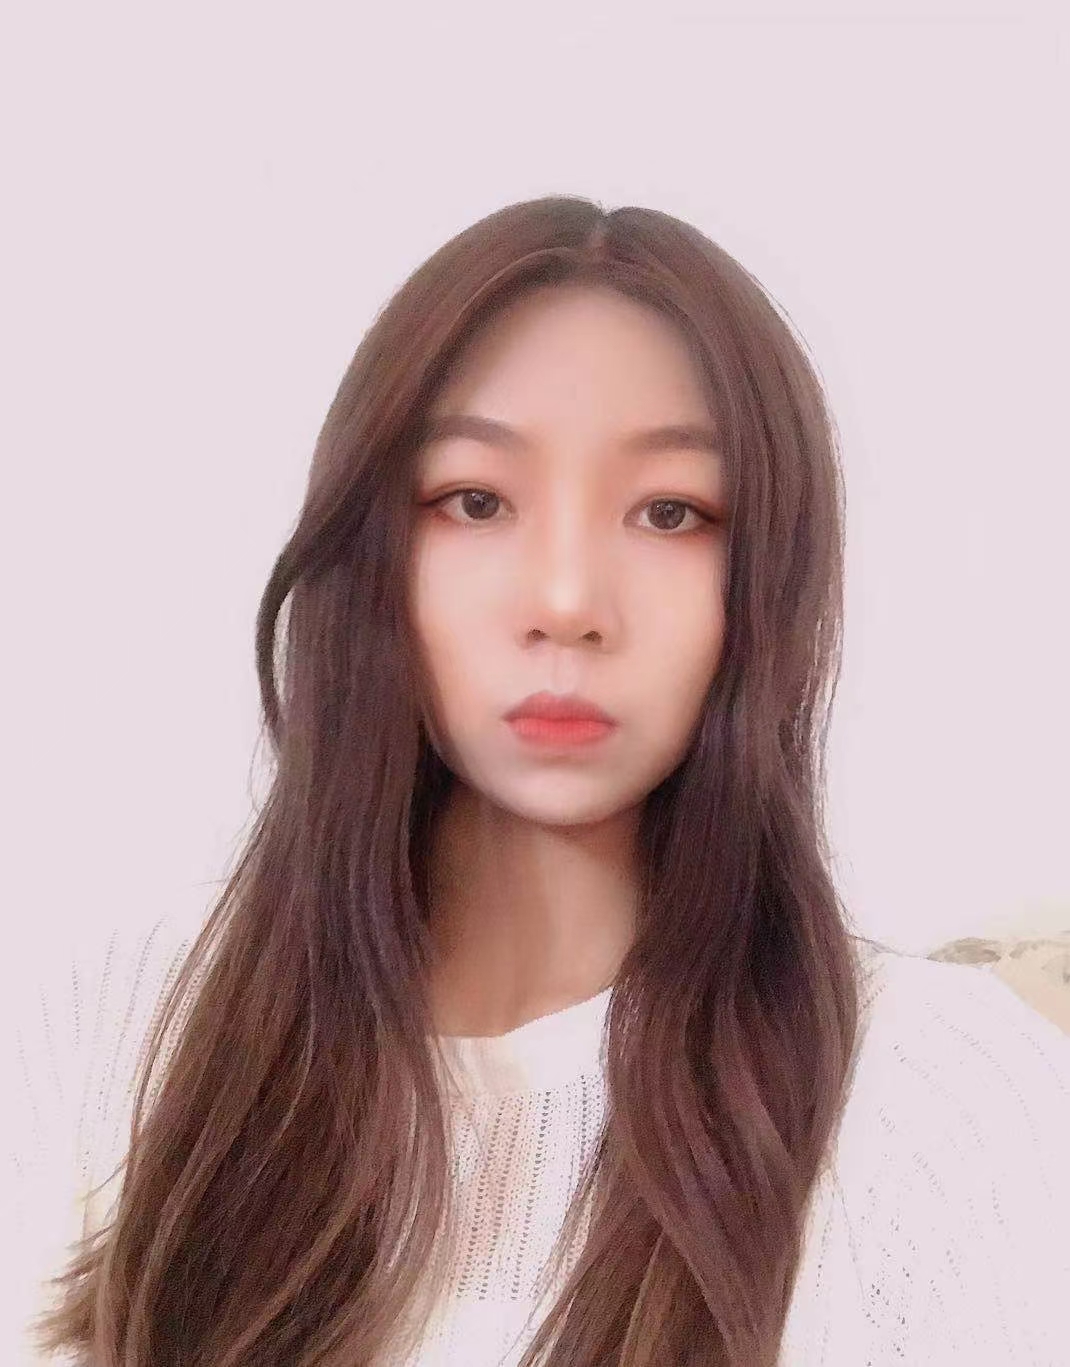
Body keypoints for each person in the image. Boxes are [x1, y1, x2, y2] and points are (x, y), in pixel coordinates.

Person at [7, 196, 1069, 1366]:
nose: (565, 601)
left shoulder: (937, 1105)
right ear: (372, 553)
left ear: (767, 580)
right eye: (476, 501)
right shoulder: (121, 1039)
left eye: (670, 512)